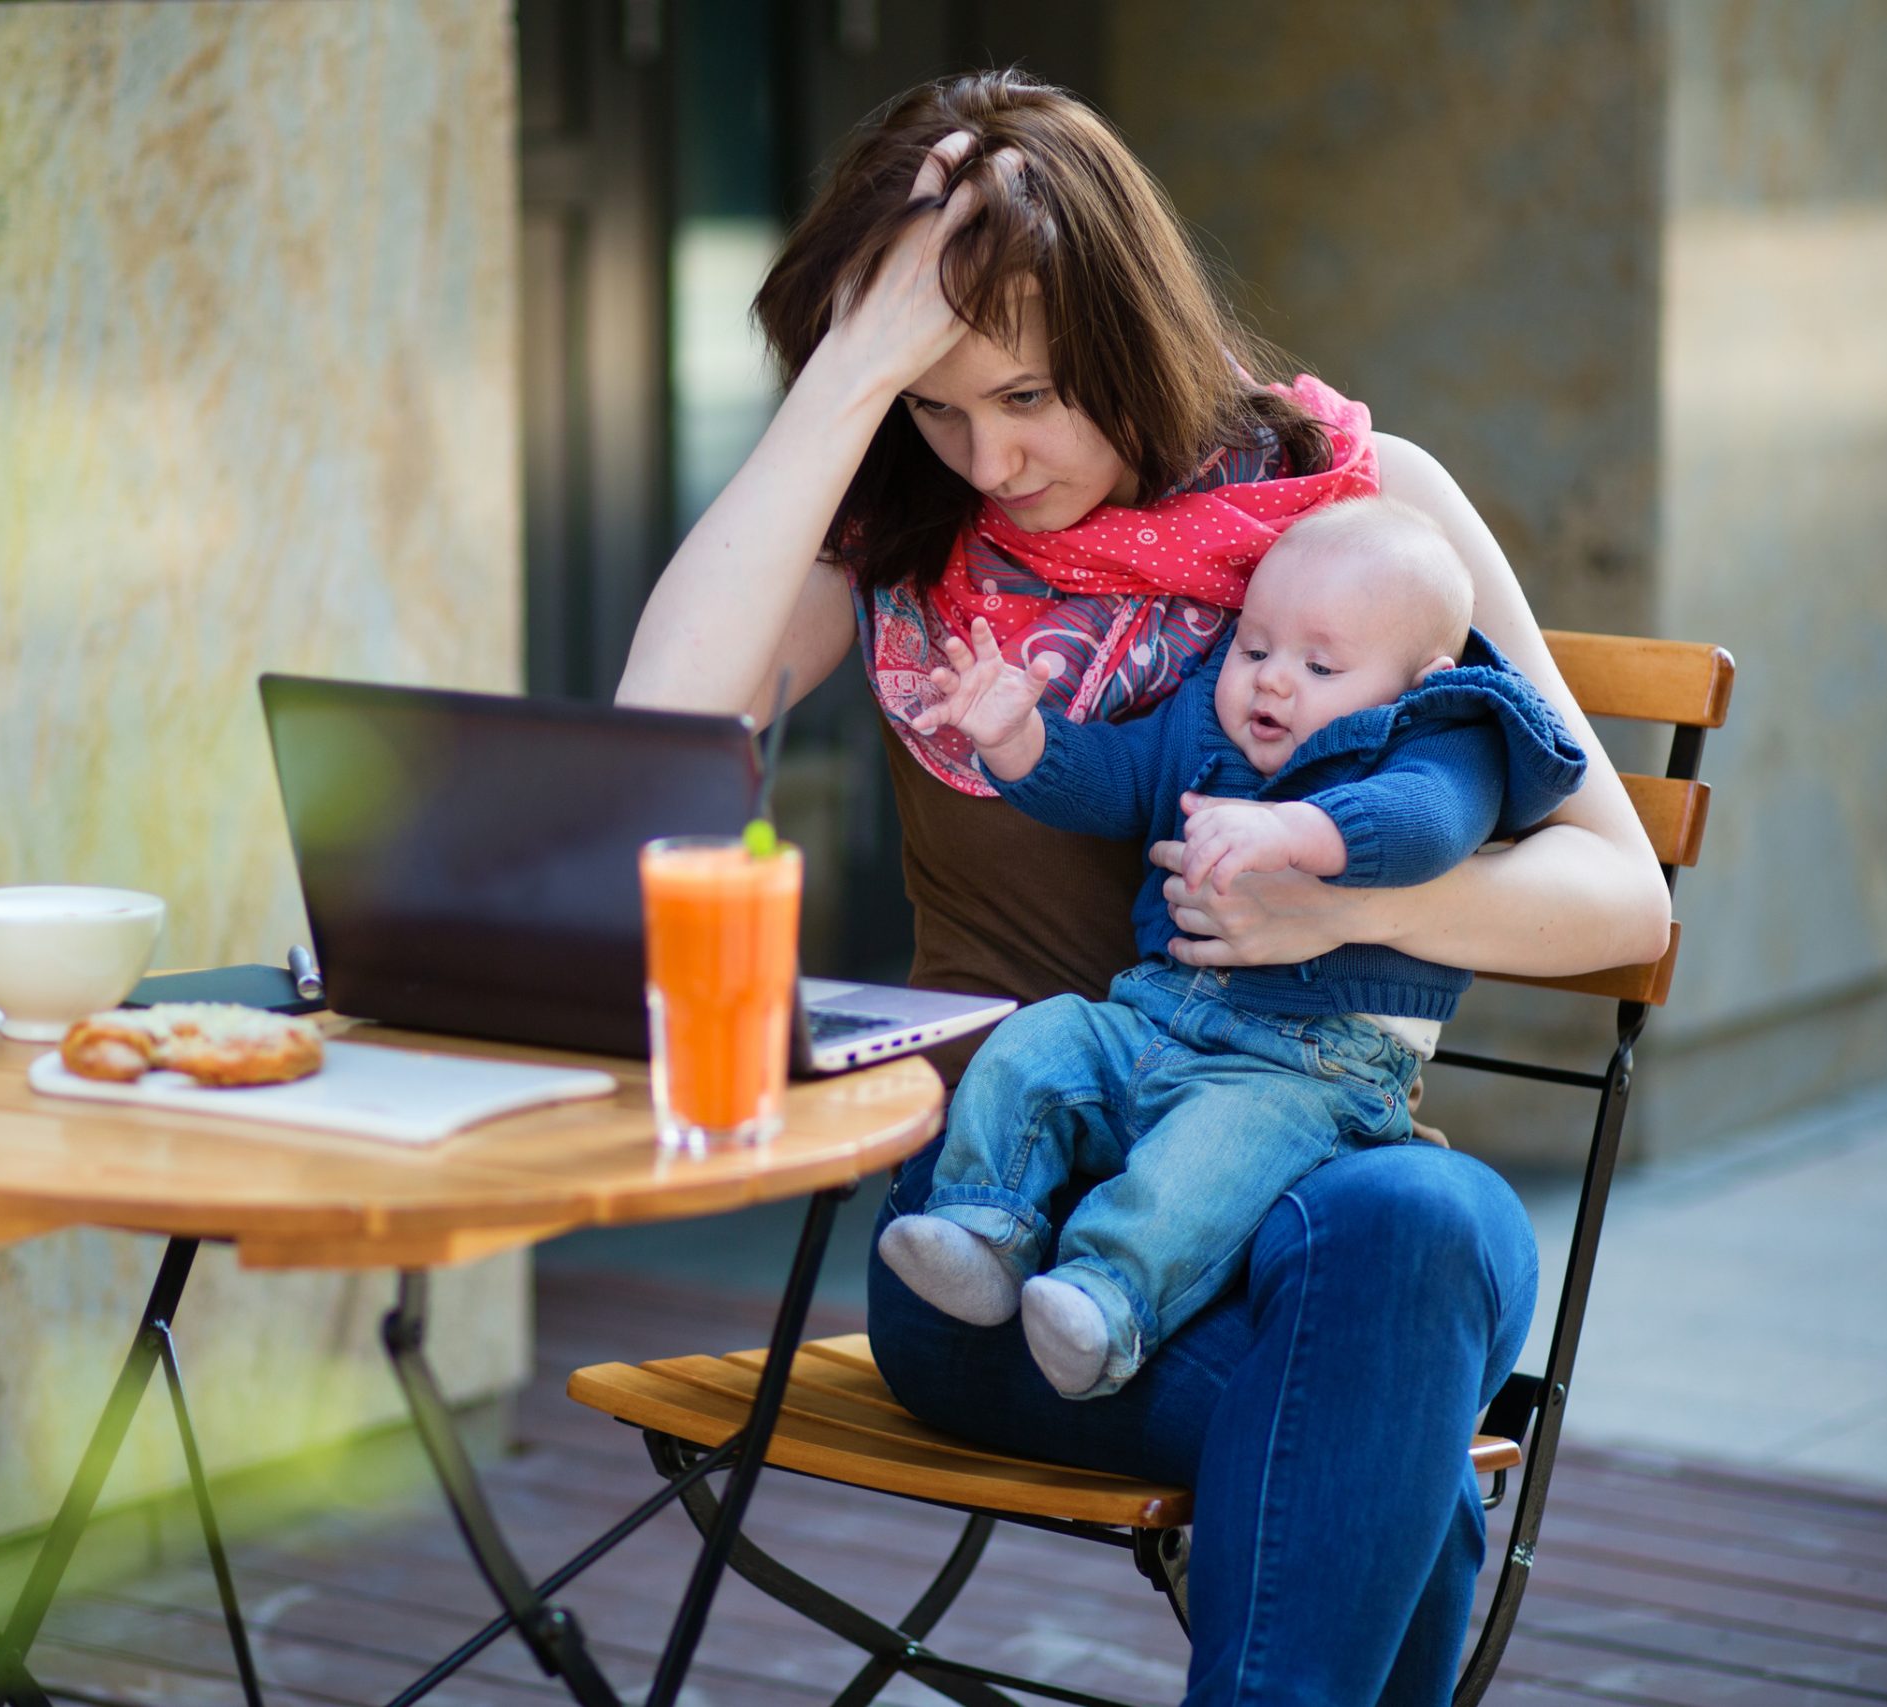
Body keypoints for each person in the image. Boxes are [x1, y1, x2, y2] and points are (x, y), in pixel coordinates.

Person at [615, 69, 1669, 1706]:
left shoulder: (1357, 507)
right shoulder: (898, 531)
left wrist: (1341, 903)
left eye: (1027, 394)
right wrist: (846, 382)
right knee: (1385, 1386)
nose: (989, 456)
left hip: (1301, 1177)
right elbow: (654, 754)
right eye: (934, 401)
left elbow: (1623, 899)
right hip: (1004, 1238)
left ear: (1124, 329)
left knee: (1426, 1222)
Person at [876, 498, 1587, 1403]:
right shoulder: (1206, 720)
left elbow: (1428, 826)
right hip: (1152, 1015)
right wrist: (1022, 744)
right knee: (1041, 1041)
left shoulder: (1443, 740)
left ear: (1420, 678)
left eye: (1320, 663)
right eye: (1255, 648)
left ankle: (1104, 1296)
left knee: (1205, 1162)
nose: (1272, 682)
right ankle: (983, 1226)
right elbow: (1116, 780)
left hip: (1307, 1070)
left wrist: (1297, 829)